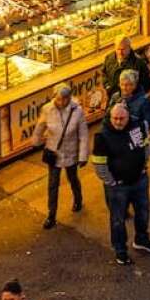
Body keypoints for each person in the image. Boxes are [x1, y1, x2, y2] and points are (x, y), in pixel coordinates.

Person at [91, 103, 150, 264]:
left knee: (143, 212)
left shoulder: (137, 126)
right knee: (118, 220)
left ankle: (141, 240)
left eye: (121, 118)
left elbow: (145, 145)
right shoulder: (102, 136)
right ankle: (120, 250)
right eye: (115, 118)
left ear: (128, 117)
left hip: (139, 179)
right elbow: (99, 164)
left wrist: (144, 166)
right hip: (118, 186)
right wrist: (111, 182)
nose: (118, 122)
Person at [32, 83, 88, 229]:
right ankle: (51, 214)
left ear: (69, 98)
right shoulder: (47, 109)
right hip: (54, 152)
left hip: (70, 152)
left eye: (65, 99)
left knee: (72, 178)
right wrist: (35, 142)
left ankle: (78, 199)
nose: (62, 102)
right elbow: (40, 126)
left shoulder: (77, 111)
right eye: (59, 99)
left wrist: (83, 156)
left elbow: (83, 135)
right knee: (53, 184)